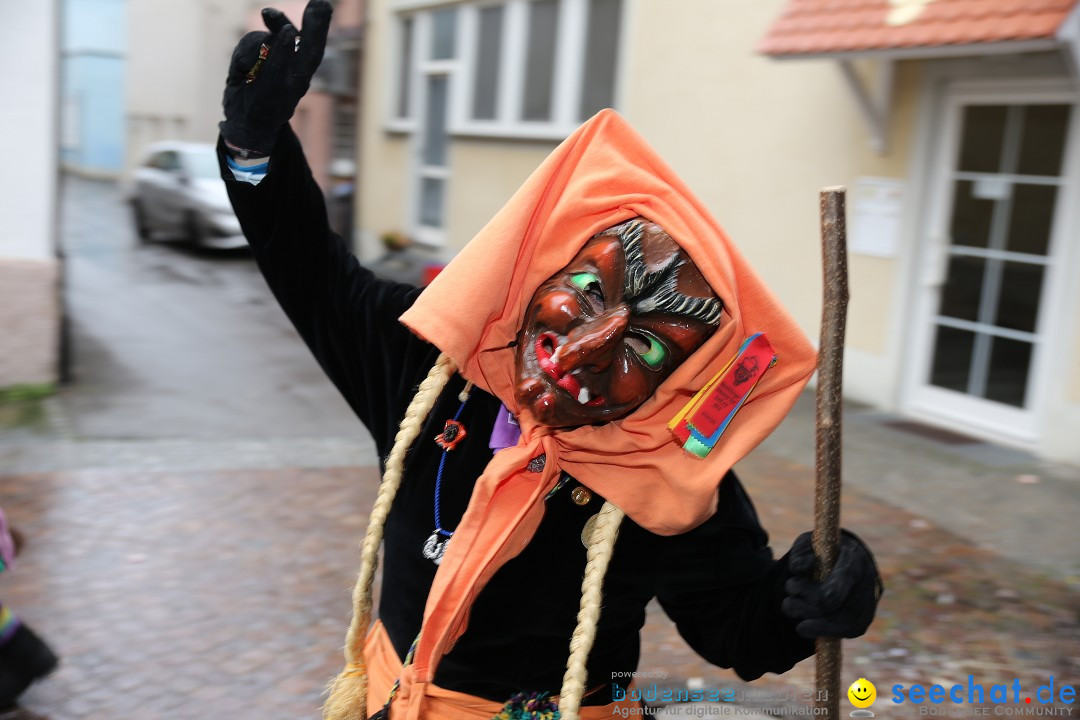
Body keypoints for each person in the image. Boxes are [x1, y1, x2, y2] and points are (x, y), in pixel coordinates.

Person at [218, 3, 883, 719]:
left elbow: (741, 631)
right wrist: (256, 153)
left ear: (674, 382)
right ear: (545, 270)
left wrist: (825, 587)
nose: (591, 346)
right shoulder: (429, 368)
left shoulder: (665, 473)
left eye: (648, 345)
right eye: (591, 292)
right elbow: (309, 269)